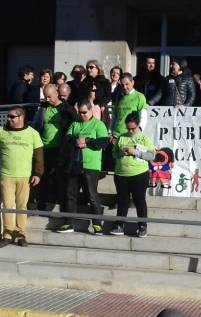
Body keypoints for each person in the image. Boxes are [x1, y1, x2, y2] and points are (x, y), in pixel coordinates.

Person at [0, 106, 42, 248]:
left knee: (22, 206)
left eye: (12, 116)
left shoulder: (33, 134)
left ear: (21, 118)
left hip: (25, 177)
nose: (8, 119)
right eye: (8, 116)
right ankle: (7, 234)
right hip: (6, 176)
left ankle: (21, 234)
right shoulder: (1, 131)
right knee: (7, 205)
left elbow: (39, 156)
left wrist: (38, 173)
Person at [57, 99, 109, 235]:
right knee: (70, 194)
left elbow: (103, 142)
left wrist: (86, 142)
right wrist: (75, 141)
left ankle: (97, 223)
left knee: (92, 195)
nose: (82, 115)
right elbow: (66, 140)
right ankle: (69, 222)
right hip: (74, 164)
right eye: (80, 112)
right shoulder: (75, 124)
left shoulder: (98, 125)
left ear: (91, 110)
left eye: (84, 112)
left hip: (90, 165)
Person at [110, 112, 156, 238]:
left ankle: (142, 225)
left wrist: (136, 152)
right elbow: (114, 154)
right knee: (122, 200)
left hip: (139, 174)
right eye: (128, 128)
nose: (130, 131)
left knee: (139, 200)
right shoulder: (121, 137)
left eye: (133, 128)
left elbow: (152, 155)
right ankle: (119, 224)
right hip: (121, 174)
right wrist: (120, 153)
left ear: (138, 125)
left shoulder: (144, 138)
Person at [34, 84, 78, 211]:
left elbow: (74, 126)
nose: (47, 99)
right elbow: (37, 125)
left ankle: (62, 208)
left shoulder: (66, 109)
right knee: (42, 177)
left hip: (60, 149)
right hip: (43, 148)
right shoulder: (43, 108)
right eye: (45, 96)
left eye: (49, 96)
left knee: (60, 179)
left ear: (57, 93)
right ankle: (41, 206)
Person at [112, 72, 149, 138]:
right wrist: (110, 132)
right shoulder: (119, 97)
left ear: (132, 82)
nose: (124, 87)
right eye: (122, 85)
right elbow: (114, 117)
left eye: (127, 84)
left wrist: (139, 130)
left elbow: (143, 116)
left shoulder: (139, 96)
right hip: (116, 135)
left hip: (129, 135)